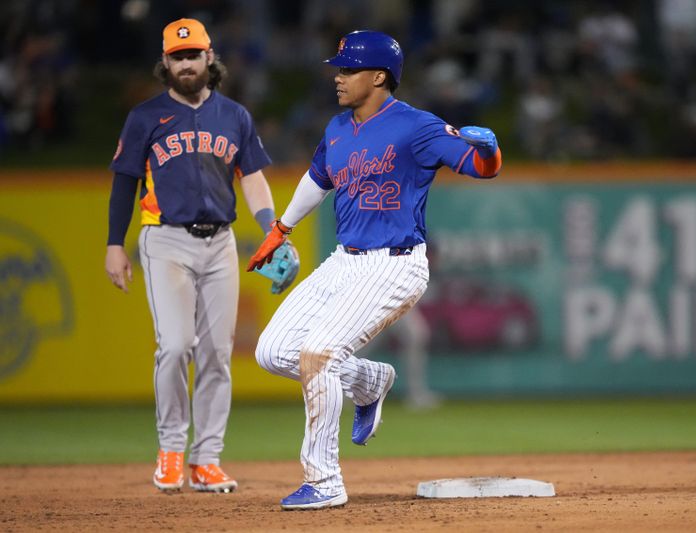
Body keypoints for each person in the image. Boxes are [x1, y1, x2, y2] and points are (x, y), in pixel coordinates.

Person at [247, 30, 501, 510]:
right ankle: (368, 381)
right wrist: (281, 227)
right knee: (273, 350)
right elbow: (316, 180)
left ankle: (324, 481)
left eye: (348, 69)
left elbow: (479, 167)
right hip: (344, 260)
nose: (338, 77)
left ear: (379, 76)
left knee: (319, 353)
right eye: (338, 69)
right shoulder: (338, 129)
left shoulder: (417, 126)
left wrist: (488, 150)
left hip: (395, 265)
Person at [104, 18, 276, 493]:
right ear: (165, 62)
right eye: (177, 56)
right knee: (177, 345)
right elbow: (124, 183)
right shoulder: (146, 117)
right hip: (166, 239)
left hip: (220, 242)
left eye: (192, 54)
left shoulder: (235, 115)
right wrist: (114, 243)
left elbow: (253, 176)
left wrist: (271, 228)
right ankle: (172, 448)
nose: (185, 63)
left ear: (209, 57)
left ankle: (207, 459)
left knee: (218, 354)